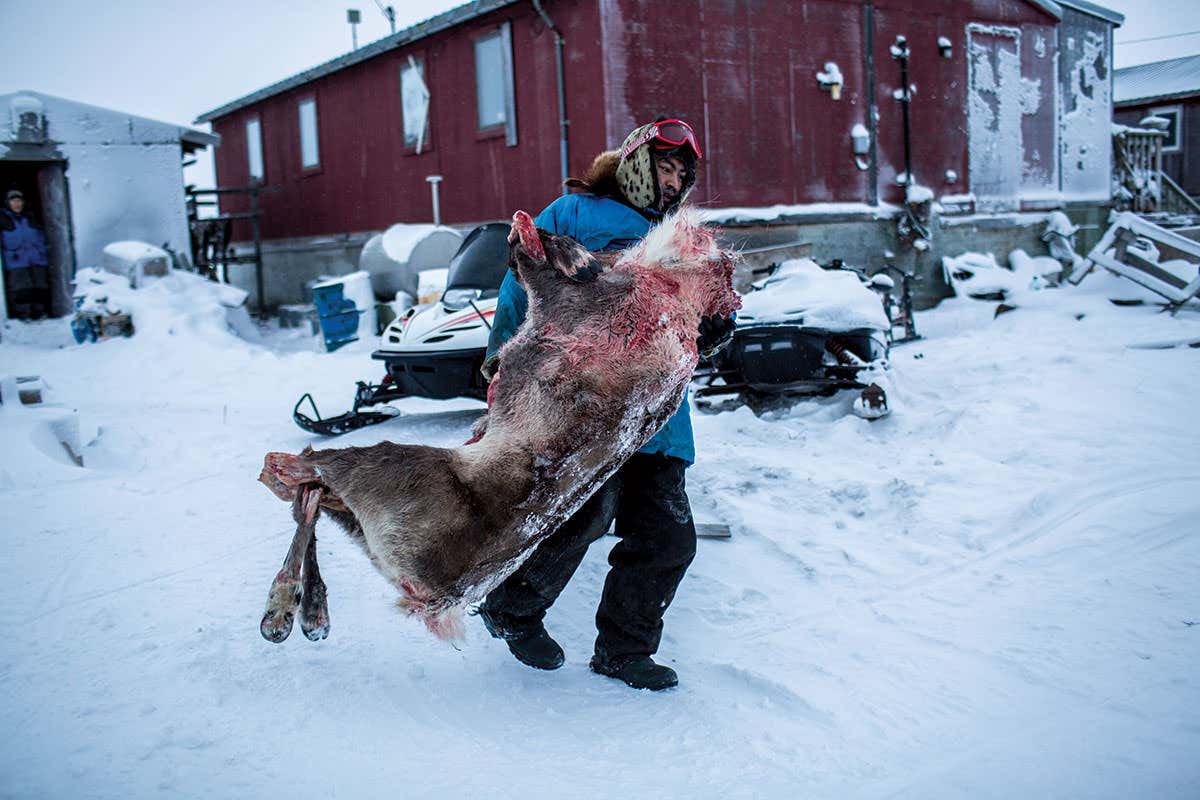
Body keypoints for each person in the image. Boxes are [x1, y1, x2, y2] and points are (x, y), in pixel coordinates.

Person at [476, 119, 736, 691]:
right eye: (662, 167)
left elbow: (692, 321)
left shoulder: (683, 236)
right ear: (635, 162)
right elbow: (521, 288)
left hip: (657, 415)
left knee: (667, 538)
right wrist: (502, 361)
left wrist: (712, 327)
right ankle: (513, 608)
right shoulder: (572, 214)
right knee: (584, 513)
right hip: (580, 402)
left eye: (680, 173)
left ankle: (624, 650)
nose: (671, 182)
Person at [0, 189, 51, 320]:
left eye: (19, 201)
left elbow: (42, 234)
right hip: (16, 260)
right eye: (13, 201)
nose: (17, 204)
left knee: (40, 286)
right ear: (7, 203)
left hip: (37, 258)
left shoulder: (31, 216)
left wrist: (42, 250)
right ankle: (23, 314)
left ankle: (40, 312)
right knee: (21, 288)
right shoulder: (3, 219)